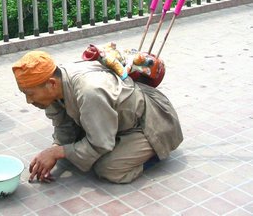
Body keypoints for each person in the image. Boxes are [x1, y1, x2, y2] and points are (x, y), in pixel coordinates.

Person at [12, 50, 183, 184]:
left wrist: (58, 152)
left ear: (51, 84)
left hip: (151, 121)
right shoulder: (54, 84)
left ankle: (155, 152)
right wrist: (55, 148)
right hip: (118, 120)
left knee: (107, 168)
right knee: (76, 146)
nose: (29, 101)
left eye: (30, 94)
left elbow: (101, 143)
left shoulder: (89, 91)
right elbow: (64, 125)